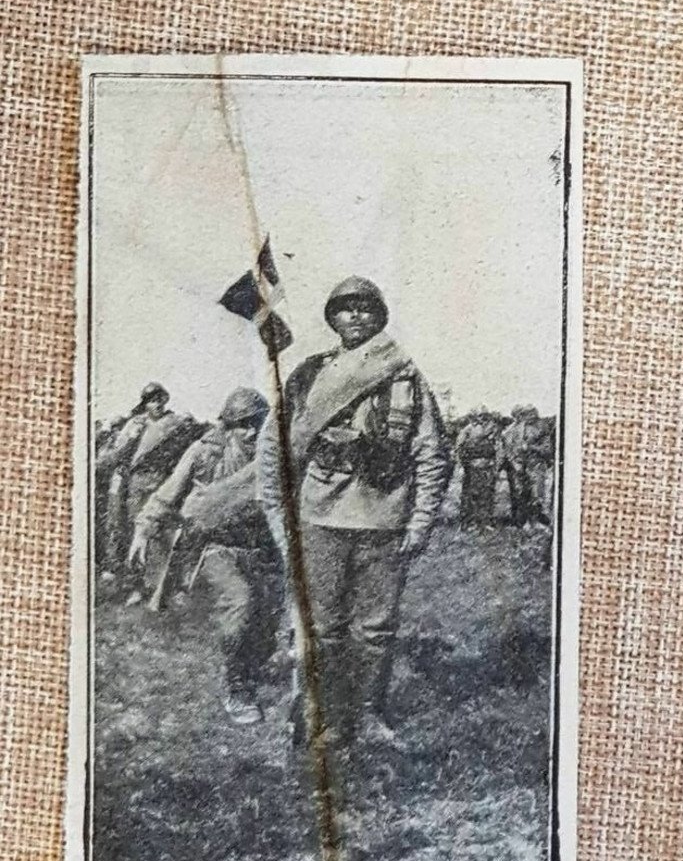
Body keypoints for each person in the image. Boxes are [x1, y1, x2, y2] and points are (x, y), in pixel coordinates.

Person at [258, 276, 450, 751]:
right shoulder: (308, 375)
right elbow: (272, 447)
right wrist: (281, 519)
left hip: (384, 520)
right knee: (322, 627)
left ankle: (368, 715)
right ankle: (325, 716)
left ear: (380, 315)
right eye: (346, 308)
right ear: (332, 318)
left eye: (366, 308)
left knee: (376, 628)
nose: (357, 316)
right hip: (320, 519)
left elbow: (431, 452)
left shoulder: (403, 374)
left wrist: (421, 519)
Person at [129, 388, 278, 726]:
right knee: (239, 603)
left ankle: (249, 665)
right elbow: (168, 492)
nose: (251, 432)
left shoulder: (274, 456)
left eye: (257, 423)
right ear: (228, 426)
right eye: (242, 425)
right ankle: (236, 687)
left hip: (263, 548)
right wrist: (143, 530)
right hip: (215, 547)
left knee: (267, 622)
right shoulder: (205, 454)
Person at [96, 382, 198, 602]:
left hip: (161, 481)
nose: (157, 404)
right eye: (152, 400)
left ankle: (155, 585)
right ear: (145, 404)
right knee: (135, 531)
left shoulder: (175, 422)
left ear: (166, 399)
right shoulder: (135, 424)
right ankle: (135, 585)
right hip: (136, 482)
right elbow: (118, 454)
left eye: (160, 399)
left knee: (157, 533)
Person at [500, 404, 553, 527]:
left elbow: (547, 449)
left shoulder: (542, 428)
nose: (527, 417)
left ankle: (535, 520)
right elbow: (510, 448)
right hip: (522, 466)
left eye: (530, 414)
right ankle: (523, 521)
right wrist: (515, 463)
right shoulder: (516, 429)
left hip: (536, 466)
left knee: (537, 494)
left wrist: (531, 447)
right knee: (523, 494)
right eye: (524, 414)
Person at [455, 407, 500, 527]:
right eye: (480, 415)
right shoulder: (468, 429)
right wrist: (462, 464)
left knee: (488, 493)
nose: (483, 418)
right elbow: (459, 447)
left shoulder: (493, 428)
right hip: (472, 466)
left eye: (485, 415)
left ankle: (486, 521)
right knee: (472, 494)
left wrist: (497, 464)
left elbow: (498, 446)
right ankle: (471, 521)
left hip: (488, 465)